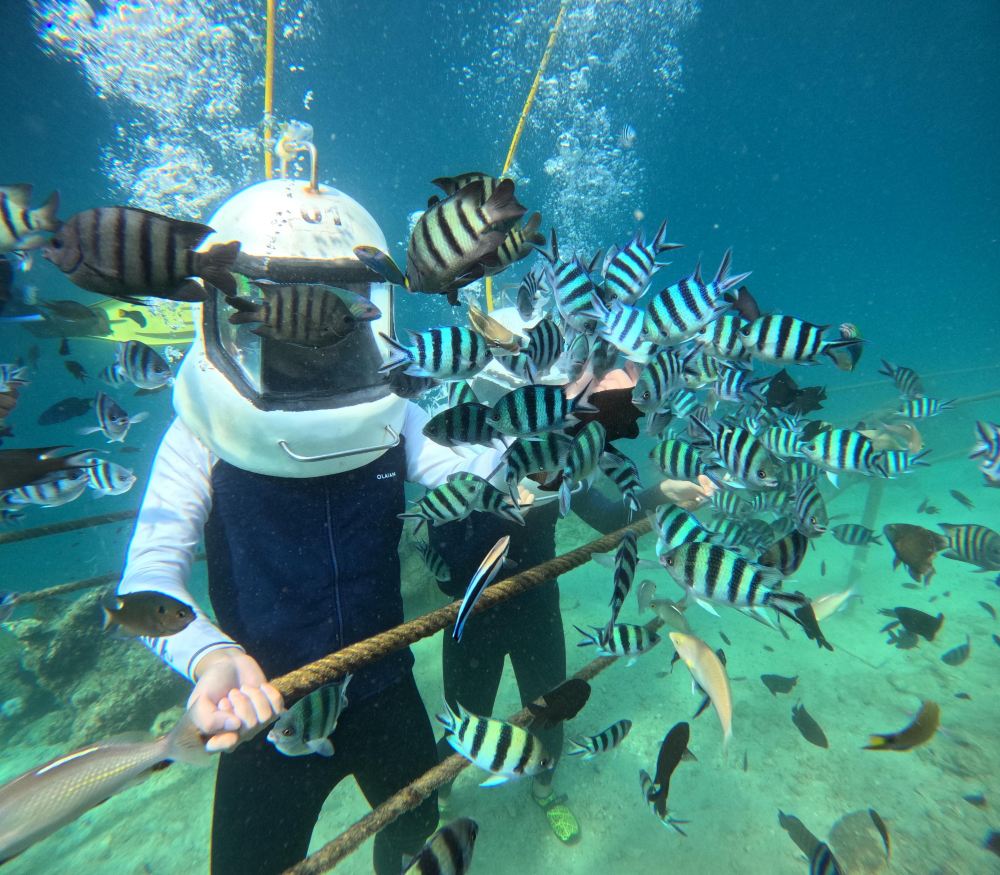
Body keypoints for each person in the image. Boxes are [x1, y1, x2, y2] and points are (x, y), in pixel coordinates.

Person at [117, 179, 503, 875]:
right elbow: (147, 578)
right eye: (284, 309)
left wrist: (560, 423)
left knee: (417, 824)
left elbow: (481, 466)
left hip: (384, 683)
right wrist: (210, 656)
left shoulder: (396, 411)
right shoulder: (199, 431)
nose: (310, 343)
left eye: (335, 307)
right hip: (266, 707)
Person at [428, 349, 714, 844]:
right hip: (473, 616)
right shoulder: (479, 454)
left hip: (537, 606)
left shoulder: (564, 450)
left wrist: (663, 492)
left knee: (552, 706)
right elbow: (444, 572)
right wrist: (488, 508)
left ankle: (543, 788)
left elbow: (607, 517)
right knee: (464, 711)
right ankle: (439, 794)